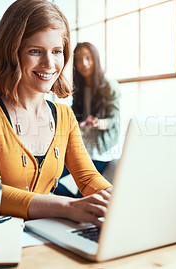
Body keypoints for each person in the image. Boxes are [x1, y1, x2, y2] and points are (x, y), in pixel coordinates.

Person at [0, 0, 112, 227]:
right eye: (35, 51)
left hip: (45, 236)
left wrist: (119, 201)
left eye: (57, 51)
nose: (49, 63)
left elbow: (88, 178)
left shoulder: (65, 116)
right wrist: (69, 207)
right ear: (11, 53)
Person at [54, 42, 120, 198]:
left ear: (95, 60)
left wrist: (99, 123)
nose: (84, 63)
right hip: (80, 146)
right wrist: (79, 124)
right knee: (51, 180)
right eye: (79, 59)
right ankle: (74, 204)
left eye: (88, 58)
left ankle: (75, 205)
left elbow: (114, 120)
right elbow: (74, 116)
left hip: (100, 151)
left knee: (83, 195)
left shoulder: (108, 85)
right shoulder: (79, 86)